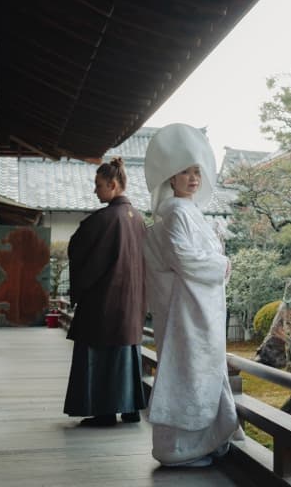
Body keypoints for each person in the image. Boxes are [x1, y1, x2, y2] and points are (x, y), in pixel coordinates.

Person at [143, 124, 242, 467]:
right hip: (190, 309)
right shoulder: (177, 214)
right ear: (171, 178)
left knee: (197, 370)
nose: (192, 177)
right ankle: (180, 449)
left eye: (196, 170)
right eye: (185, 171)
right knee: (188, 372)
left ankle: (200, 441)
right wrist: (222, 264)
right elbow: (183, 259)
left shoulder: (185, 212)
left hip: (194, 307)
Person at [64, 157, 147, 427]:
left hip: (106, 302)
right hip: (133, 301)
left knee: (101, 354)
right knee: (127, 353)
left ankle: (105, 412)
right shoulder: (139, 220)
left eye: (98, 185)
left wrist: (79, 288)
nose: (95, 190)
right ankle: (131, 407)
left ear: (113, 185)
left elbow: (81, 253)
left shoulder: (104, 219)